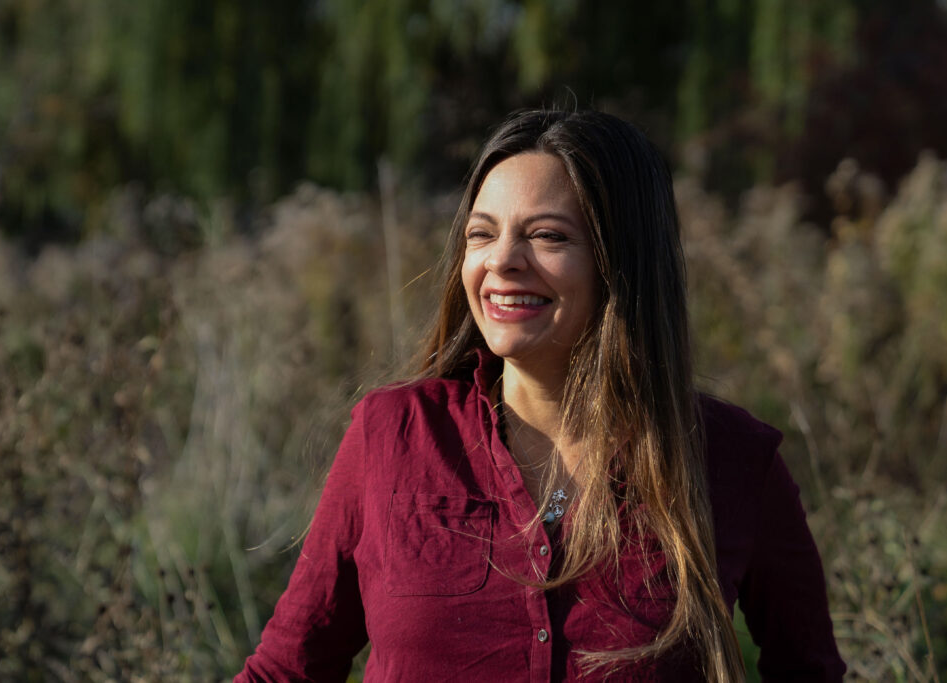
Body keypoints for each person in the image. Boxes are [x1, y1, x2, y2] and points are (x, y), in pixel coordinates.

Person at [235, 110, 845, 682]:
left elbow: (810, 670)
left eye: (547, 236)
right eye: (482, 234)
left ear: (619, 262)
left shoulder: (734, 462)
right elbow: (286, 670)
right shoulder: (392, 436)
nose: (501, 261)